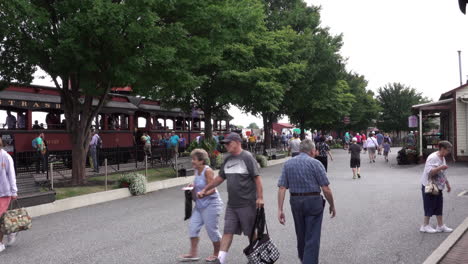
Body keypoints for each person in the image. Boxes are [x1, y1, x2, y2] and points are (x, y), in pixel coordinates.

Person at [197, 132, 264, 264]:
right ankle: (220, 260)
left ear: (238, 142)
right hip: (232, 204)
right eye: (225, 144)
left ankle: (257, 258)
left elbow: (257, 178)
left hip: (247, 203)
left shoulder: (247, 157)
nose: (226, 146)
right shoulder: (227, 159)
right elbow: (220, 178)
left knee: (250, 232)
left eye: (229, 143)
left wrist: (260, 197)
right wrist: (205, 189)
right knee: (228, 231)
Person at [278, 139, 336, 264]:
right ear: (311, 151)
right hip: (313, 201)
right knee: (312, 236)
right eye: (315, 150)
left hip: (295, 201)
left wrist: (280, 209)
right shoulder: (316, 164)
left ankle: (303, 258)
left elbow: (282, 187)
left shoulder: (288, 164)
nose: (316, 152)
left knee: (301, 233)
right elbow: (325, 188)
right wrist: (332, 205)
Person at [179, 149, 223, 262]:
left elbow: (213, 189)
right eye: (192, 159)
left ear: (201, 161)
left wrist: (203, 193)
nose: (192, 161)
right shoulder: (196, 170)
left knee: (212, 230)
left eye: (194, 159)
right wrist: (192, 185)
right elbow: (198, 182)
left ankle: (218, 254)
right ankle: (193, 254)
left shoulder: (208, 171)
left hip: (211, 204)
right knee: (193, 227)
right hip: (200, 205)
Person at [420, 141, 453, 233]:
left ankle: (440, 225)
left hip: (438, 186)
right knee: (429, 205)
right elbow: (429, 172)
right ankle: (425, 226)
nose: (449, 152)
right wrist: (440, 167)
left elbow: (442, 173)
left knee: (439, 205)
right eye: (448, 150)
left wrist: (447, 184)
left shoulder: (442, 157)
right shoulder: (432, 158)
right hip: (429, 185)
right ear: (442, 149)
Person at [0, 138, 18, 252]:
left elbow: (11, 175)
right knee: (2, 219)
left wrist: (13, 191)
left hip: (4, 193)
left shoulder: (6, 157)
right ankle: (11, 229)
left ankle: (0, 243)